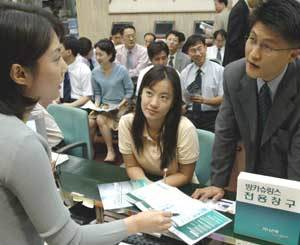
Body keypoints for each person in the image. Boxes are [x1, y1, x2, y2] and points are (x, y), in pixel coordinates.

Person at [0, 3, 172, 244]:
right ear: (20, 74)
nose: (64, 67)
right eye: (57, 57)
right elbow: (70, 240)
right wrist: (137, 223)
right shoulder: (22, 143)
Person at [193, 0, 300, 201]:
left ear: (293, 54)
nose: (254, 53)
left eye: (267, 47)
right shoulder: (234, 74)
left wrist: (291, 205)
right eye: (252, 39)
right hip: (250, 180)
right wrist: (217, 183)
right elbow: (225, 132)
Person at [119, 65, 199, 187]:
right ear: (140, 94)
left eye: (163, 97)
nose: (154, 103)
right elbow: (131, 165)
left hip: (179, 188)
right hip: (144, 183)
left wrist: (154, 189)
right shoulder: (127, 123)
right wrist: (145, 185)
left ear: (173, 102)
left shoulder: (185, 129)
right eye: (149, 93)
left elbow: (185, 175)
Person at [90, 39, 134, 162]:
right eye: (96, 54)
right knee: (94, 120)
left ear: (110, 55)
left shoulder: (121, 70)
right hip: (105, 105)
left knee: (104, 119)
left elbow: (129, 91)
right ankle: (100, 150)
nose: (97, 57)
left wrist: (121, 103)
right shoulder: (94, 72)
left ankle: (118, 152)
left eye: (100, 54)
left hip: (122, 104)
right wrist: (97, 106)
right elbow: (97, 93)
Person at [181, 34, 224, 132]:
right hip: (190, 115)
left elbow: (223, 98)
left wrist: (204, 100)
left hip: (212, 116)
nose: (197, 53)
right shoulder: (185, 73)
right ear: (188, 53)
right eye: (193, 50)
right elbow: (182, 98)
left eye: (200, 48)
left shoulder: (219, 70)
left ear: (205, 48)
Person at [222, 0, 260, 66]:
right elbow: (233, 40)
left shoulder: (243, 8)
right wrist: (249, 47)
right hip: (234, 61)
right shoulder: (239, 10)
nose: (258, 3)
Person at [60, 36, 93, 107]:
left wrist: (71, 105)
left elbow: (88, 95)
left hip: (79, 104)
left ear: (69, 52)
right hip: (61, 103)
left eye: (60, 49)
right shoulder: (58, 68)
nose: (58, 52)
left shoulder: (83, 69)